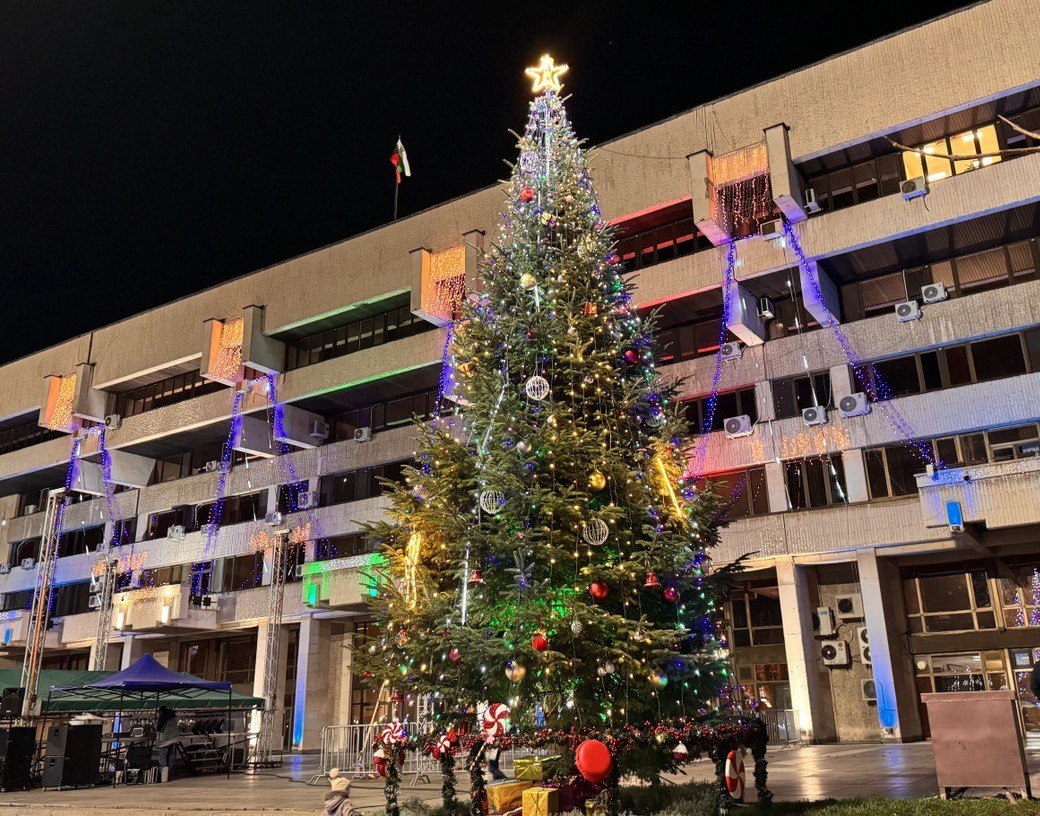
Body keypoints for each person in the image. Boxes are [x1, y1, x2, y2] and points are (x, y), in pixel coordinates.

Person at [155, 706, 181, 777]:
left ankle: (164, 773)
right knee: (171, 756)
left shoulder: (164, 718)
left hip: (164, 740)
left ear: (161, 712)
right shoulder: (173, 717)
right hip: (174, 739)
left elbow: (159, 728)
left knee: (162, 757)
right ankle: (170, 771)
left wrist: (156, 722)